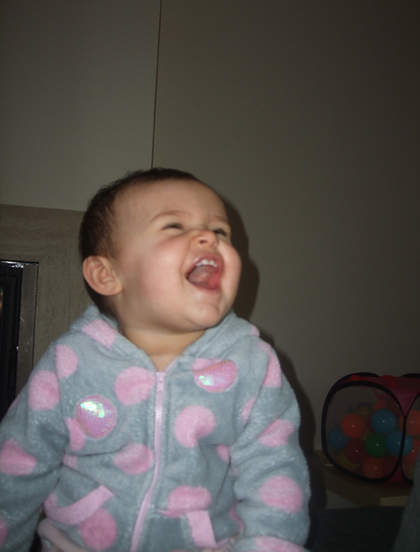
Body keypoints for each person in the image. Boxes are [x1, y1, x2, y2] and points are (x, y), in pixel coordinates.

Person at [0, 168, 310, 551]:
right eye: (174, 226)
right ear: (107, 275)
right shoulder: (71, 363)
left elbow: (275, 473)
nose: (209, 237)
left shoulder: (251, 365)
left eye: (221, 231)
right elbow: (17, 467)